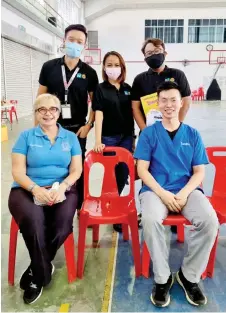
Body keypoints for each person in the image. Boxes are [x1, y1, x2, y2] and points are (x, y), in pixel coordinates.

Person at [134, 81, 218, 307]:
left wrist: (183, 193)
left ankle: (188, 275)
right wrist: (162, 194)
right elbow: (142, 170)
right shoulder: (149, 134)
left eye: (173, 100)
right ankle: (162, 278)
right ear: (157, 104)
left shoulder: (192, 134)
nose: (169, 104)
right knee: (151, 219)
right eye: (164, 100)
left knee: (210, 221)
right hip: (155, 190)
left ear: (181, 103)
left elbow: (199, 171)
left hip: (187, 190)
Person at [8, 94, 82, 304]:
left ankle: (35, 266)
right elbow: (17, 172)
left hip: (62, 188)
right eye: (42, 109)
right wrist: (34, 189)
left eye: (53, 109)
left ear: (59, 112)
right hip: (26, 188)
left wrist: (65, 187)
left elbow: (76, 170)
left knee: (62, 226)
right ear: (36, 113)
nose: (48, 113)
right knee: (34, 221)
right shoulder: (26, 137)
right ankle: (39, 278)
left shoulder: (70, 138)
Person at [37, 24, 99, 211]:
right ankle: (50, 200)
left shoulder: (89, 72)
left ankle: (79, 206)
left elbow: (95, 103)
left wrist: (89, 125)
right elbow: (40, 99)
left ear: (84, 46)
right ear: (64, 41)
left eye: (79, 42)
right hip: (50, 126)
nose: (75, 44)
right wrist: (37, 129)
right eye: (71, 40)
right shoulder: (49, 67)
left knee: (76, 169)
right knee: (50, 163)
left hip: (77, 129)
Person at [92, 51, 134, 233]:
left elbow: (133, 112)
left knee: (123, 175)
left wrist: (134, 138)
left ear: (122, 67)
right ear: (103, 67)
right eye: (109, 64)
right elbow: (98, 114)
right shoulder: (100, 89)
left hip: (126, 137)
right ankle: (103, 209)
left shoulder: (128, 88)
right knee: (108, 176)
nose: (113, 68)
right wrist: (98, 140)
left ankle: (121, 211)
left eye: (116, 64)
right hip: (109, 137)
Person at [131, 38, 191, 129]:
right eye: (149, 53)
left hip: (173, 130)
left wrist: (176, 126)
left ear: (165, 53)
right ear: (145, 58)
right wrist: (144, 130)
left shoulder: (178, 75)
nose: (154, 55)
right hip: (149, 131)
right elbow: (135, 108)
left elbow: (186, 101)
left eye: (157, 51)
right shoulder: (139, 79)